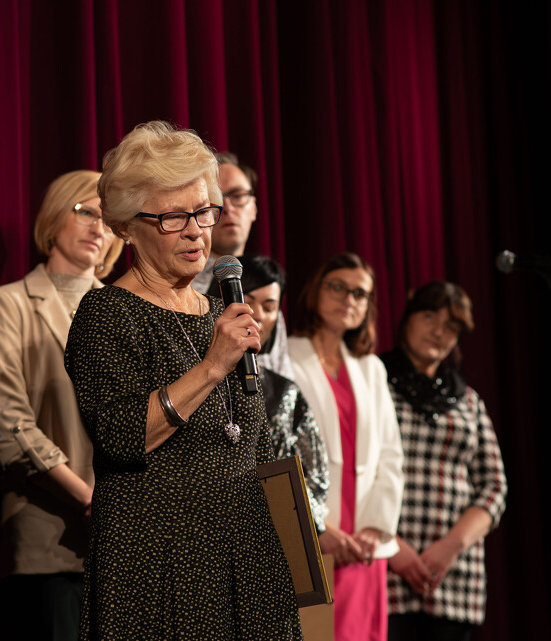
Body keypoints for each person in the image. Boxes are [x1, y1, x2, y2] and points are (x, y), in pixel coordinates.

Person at [64, 121, 302, 640]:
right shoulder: (106, 314)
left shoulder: (222, 310)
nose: (197, 230)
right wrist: (212, 366)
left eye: (204, 211)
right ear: (128, 226)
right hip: (161, 570)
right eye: (174, 216)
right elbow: (121, 436)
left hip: (250, 564)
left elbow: (256, 442)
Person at [0, 170, 123, 639]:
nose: (99, 228)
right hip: (48, 533)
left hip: (127, 540)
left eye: (109, 220)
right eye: (87, 212)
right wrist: (87, 497)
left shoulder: (125, 310)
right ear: (55, 216)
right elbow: (6, 419)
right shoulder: (11, 303)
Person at [288, 252, 404, 641]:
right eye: (337, 287)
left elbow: (390, 454)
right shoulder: (286, 356)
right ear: (315, 292)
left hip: (362, 545)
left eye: (360, 293)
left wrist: (375, 528)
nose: (348, 299)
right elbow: (282, 452)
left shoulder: (372, 368)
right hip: (314, 535)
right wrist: (317, 524)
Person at [382, 281, 507, 641]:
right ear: (408, 318)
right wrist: (392, 547)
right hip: (387, 564)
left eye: (451, 326)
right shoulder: (374, 379)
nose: (438, 331)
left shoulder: (468, 400)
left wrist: (448, 548)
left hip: (453, 577)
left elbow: (495, 486)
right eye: (429, 316)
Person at [237, 254, 329, 534]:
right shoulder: (194, 377)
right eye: (248, 301)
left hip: (274, 532)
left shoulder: (285, 391)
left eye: (269, 306)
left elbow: (315, 476)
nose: (258, 314)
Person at [193, 152, 294, 380]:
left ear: (254, 208)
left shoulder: (268, 285)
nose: (227, 207)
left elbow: (280, 374)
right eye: (215, 199)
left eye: (237, 196)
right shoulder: (182, 282)